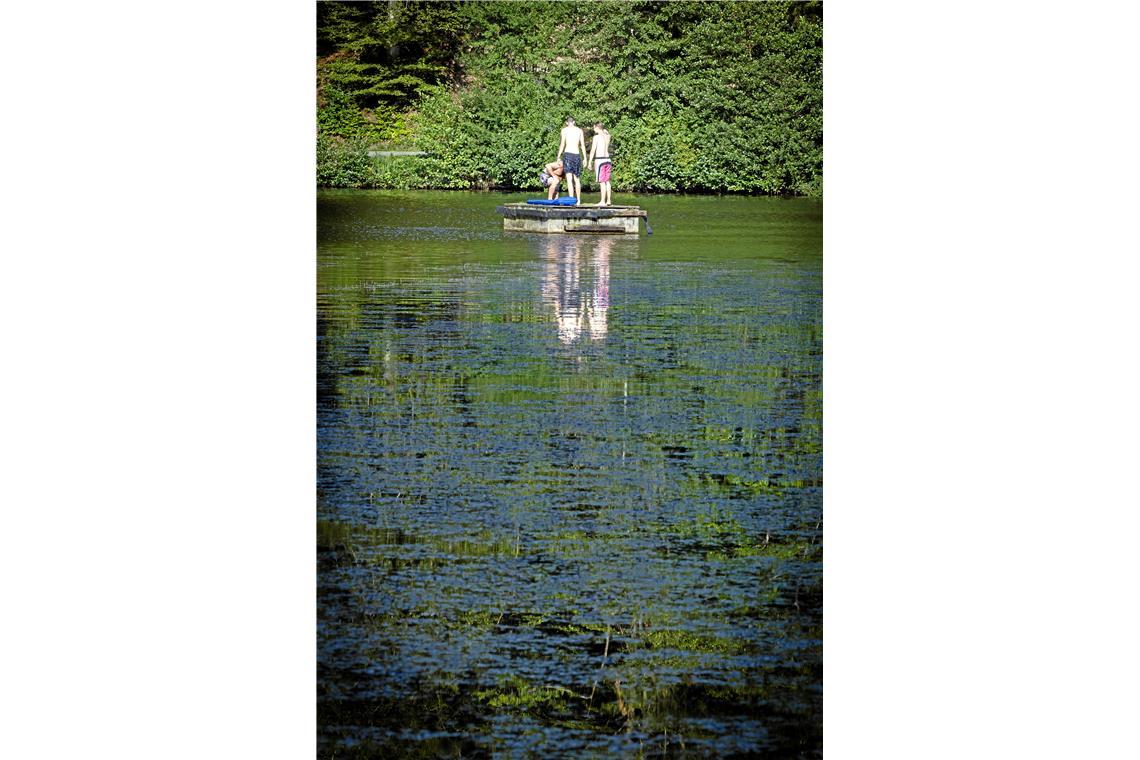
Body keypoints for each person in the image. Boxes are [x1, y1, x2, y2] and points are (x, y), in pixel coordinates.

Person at [556, 117, 587, 200]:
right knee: (577, 179)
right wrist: (585, 158)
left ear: (567, 123)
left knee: (569, 179)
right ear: (574, 122)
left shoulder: (564, 130)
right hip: (576, 155)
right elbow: (582, 145)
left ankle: (571, 199)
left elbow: (562, 144)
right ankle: (578, 200)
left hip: (568, 155)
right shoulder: (579, 130)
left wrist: (558, 156)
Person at [586, 121, 613, 206]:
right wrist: (605, 131)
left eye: (594, 127)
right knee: (607, 181)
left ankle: (602, 201)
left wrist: (589, 162)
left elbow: (593, 150)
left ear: (596, 127)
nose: (593, 129)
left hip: (600, 160)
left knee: (602, 181)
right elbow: (607, 133)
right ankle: (608, 201)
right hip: (608, 160)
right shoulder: (608, 136)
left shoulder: (596, 137)